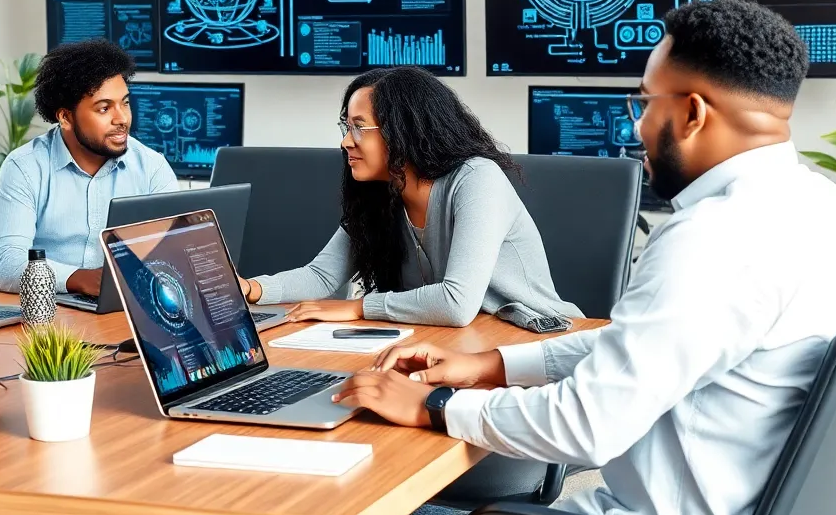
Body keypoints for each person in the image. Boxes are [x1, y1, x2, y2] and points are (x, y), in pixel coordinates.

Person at [337, 0, 836, 515]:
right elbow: (639, 346)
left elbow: (585, 425)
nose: (637, 126)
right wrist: (491, 365)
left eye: (646, 103)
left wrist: (436, 405)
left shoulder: (710, 240)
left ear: (693, 113)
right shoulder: (830, 211)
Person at [239, 66, 580, 329]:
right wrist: (250, 289)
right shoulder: (380, 196)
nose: (346, 142)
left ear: (404, 131)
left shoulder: (477, 179)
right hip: (456, 344)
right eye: (346, 127)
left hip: (538, 342)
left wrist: (358, 308)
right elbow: (321, 277)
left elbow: (456, 303)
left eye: (360, 127)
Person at [0, 40, 178, 296]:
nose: (122, 118)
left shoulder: (152, 167)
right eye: (104, 108)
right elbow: (5, 264)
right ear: (66, 117)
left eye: (124, 103)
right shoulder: (24, 168)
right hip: (51, 315)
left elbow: (176, 252)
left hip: (124, 310)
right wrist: (77, 278)